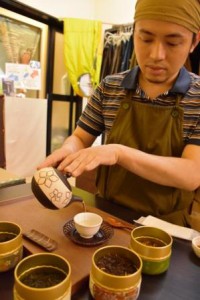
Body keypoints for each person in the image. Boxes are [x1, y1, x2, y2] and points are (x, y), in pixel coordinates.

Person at [38, 0, 200, 227]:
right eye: (146, 38)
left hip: (167, 227)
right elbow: (80, 137)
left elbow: (192, 174)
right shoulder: (110, 87)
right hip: (107, 214)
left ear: (194, 41)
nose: (156, 54)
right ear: (134, 34)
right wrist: (68, 151)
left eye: (173, 42)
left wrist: (119, 153)